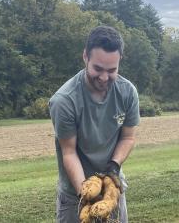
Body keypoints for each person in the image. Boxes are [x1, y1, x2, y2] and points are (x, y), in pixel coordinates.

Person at [49, 26, 140, 223]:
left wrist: (113, 168)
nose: (104, 77)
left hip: (111, 190)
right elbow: (69, 152)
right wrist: (87, 193)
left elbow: (128, 137)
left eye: (111, 70)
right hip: (75, 194)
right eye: (97, 69)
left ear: (119, 61)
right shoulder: (64, 101)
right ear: (85, 57)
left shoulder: (127, 93)